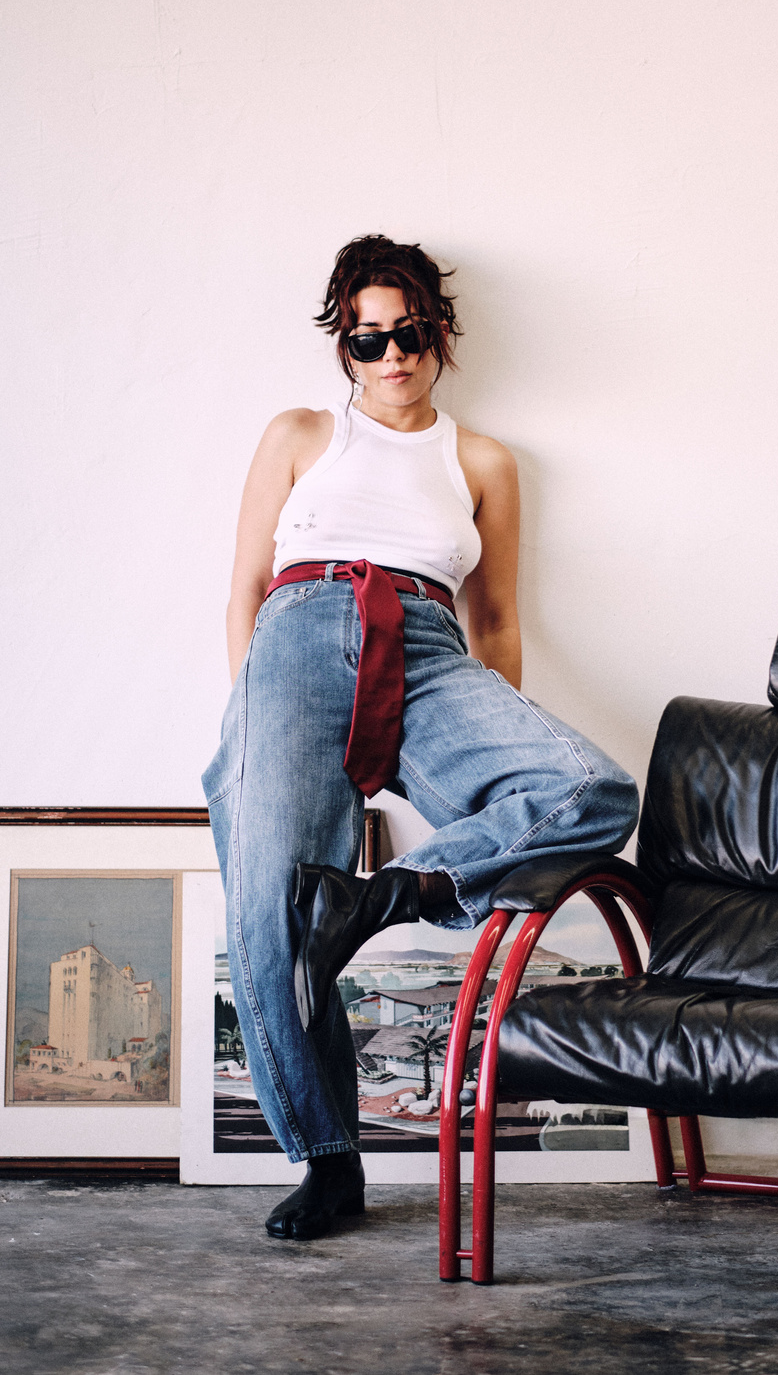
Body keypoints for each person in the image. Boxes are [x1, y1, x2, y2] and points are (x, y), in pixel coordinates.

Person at [202, 235, 639, 1240]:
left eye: (409, 334)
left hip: (431, 647)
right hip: (296, 637)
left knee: (592, 789)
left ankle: (375, 898)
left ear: (439, 332)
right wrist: (255, 713)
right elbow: (245, 588)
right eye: (368, 340)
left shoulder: (481, 459)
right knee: (268, 909)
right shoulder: (301, 434)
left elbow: (498, 620)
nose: (392, 356)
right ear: (344, 347)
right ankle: (328, 1160)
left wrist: (487, 741)